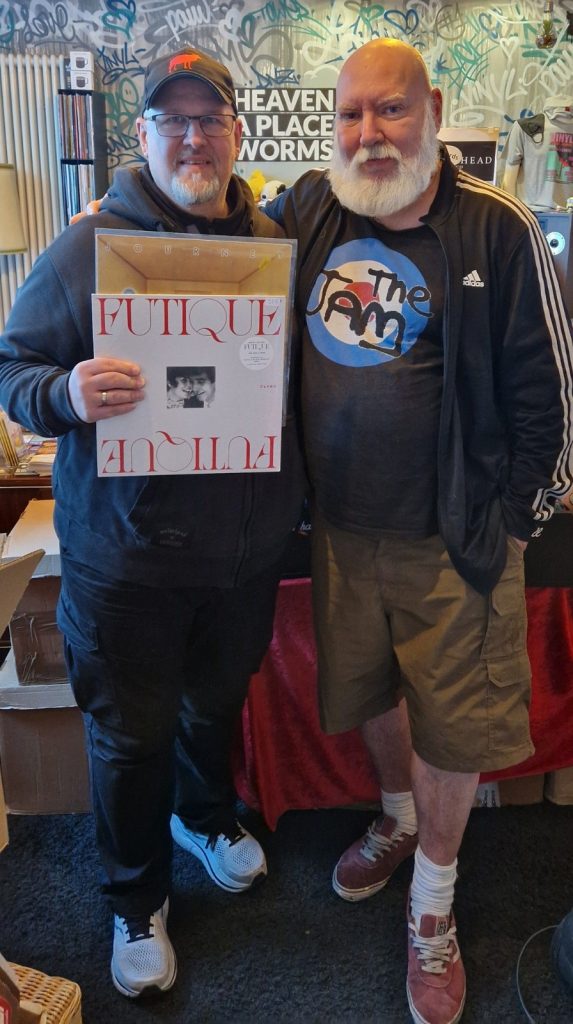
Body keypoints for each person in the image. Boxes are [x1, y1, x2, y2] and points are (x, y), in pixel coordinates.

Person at [264, 38, 573, 1024]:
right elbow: (223, 248)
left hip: (455, 541)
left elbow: (550, 397)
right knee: (372, 692)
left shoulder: (496, 227)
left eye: (390, 109)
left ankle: (432, 908)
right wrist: (121, 224)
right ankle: (398, 820)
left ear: (430, 109)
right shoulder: (311, 208)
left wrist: (513, 527)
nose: (369, 132)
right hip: (340, 532)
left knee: (453, 723)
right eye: (351, 113)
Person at [0, 48, 305, 999]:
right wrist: (67, 392)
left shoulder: (275, 243)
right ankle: (135, 897)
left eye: (209, 119)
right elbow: (12, 370)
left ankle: (202, 817)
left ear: (236, 133)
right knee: (128, 735)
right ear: (143, 134)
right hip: (125, 561)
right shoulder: (89, 244)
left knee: (213, 705)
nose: (192, 137)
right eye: (173, 120)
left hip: (242, 553)